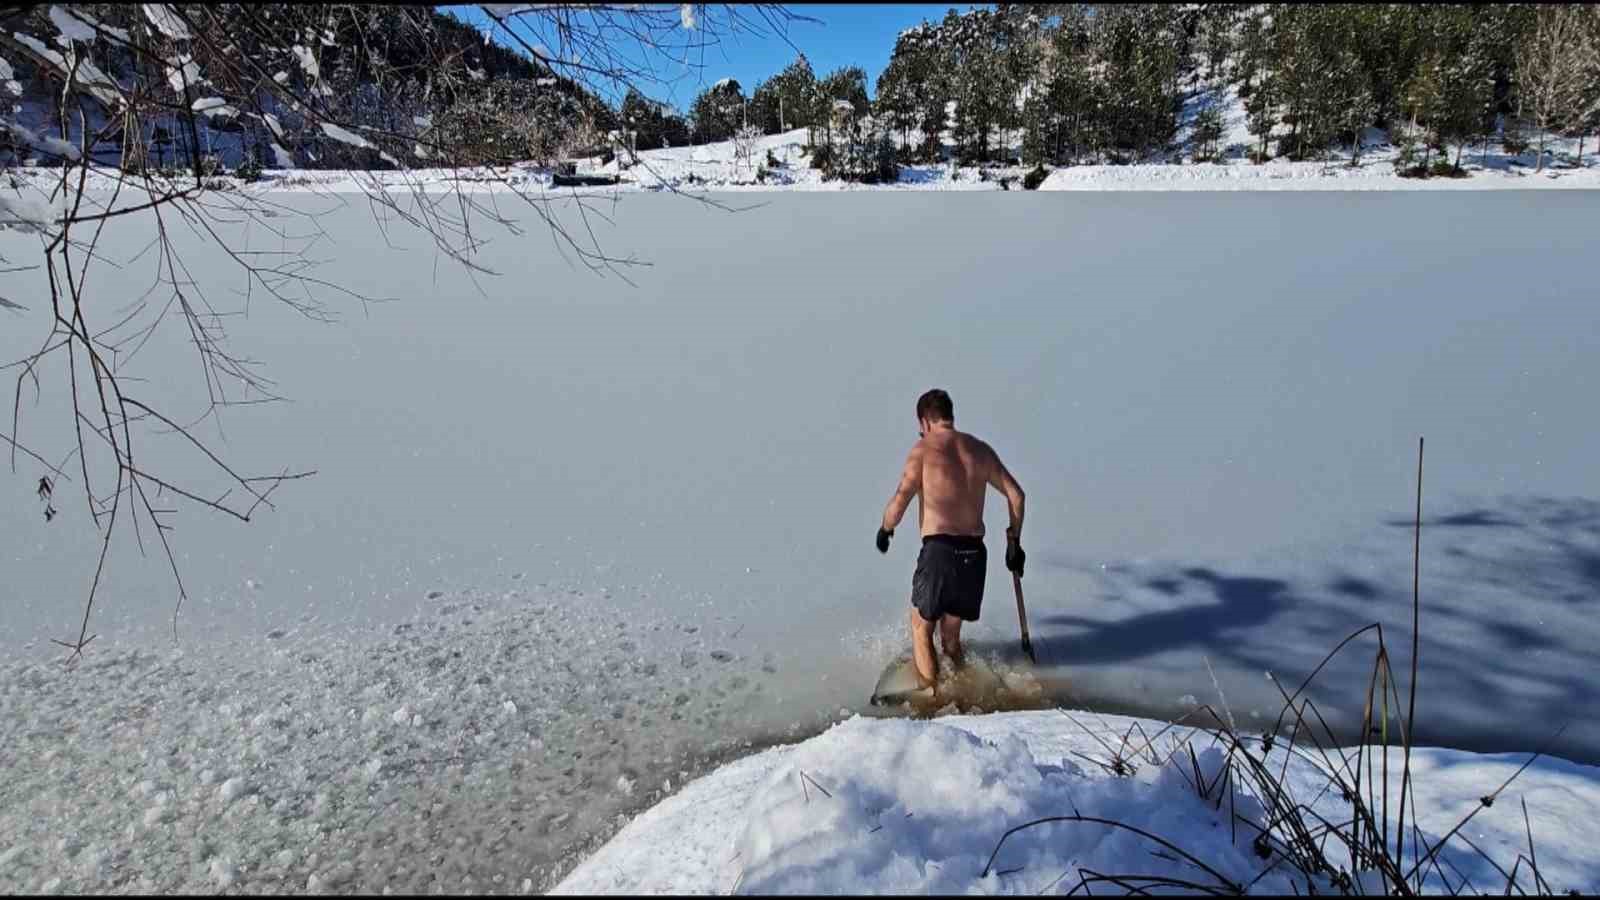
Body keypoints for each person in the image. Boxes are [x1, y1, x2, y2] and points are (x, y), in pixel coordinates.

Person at [876, 388, 1025, 694]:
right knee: (951, 637)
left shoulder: (923, 450)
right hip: (974, 554)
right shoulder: (980, 450)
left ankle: (932, 697)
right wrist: (1014, 541)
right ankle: (961, 690)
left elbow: (900, 500)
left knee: (921, 627)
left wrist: (885, 529)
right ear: (949, 416)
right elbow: (1017, 496)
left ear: (924, 421)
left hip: (940, 551)